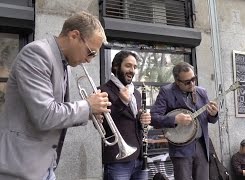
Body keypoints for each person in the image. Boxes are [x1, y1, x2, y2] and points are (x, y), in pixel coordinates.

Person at [0, 11, 110, 180]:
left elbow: (55, 111)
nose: (90, 60)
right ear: (74, 35)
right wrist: (87, 106)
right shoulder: (37, 54)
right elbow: (45, 115)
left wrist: (89, 113)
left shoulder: (62, 62)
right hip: (20, 168)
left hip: (45, 166)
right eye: (91, 52)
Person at [150, 62, 219, 180]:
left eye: (194, 79)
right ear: (177, 81)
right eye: (187, 82)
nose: (192, 83)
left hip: (201, 145)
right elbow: (154, 118)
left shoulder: (201, 92)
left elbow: (210, 119)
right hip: (181, 149)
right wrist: (175, 119)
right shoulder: (166, 92)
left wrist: (214, 114)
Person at [99, 50, 151, 180]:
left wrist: (143, 119)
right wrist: (121, 102)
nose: (132, 70)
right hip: (118, 161)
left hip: (140, 159)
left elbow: (134, 123)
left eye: (134, 67)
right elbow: (102, 124)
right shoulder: (102, 91)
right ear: (116, 66)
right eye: (128, 66)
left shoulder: (137, 94)